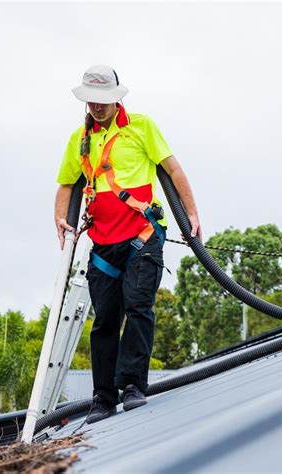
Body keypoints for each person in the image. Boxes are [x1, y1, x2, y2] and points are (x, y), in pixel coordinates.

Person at [55, 65, 202, 424]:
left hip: (143, 237)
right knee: (105, 320)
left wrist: (192, 215)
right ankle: (102, 397)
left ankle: (133, 385)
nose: (97, 107)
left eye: (104, 101)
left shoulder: (141, 127)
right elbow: (65, 184)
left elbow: (174, 170)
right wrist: (61, 218)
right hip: (103, 243)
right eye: (92, 101)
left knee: (138, 307)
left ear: (117, 98)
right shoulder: (80, 139)